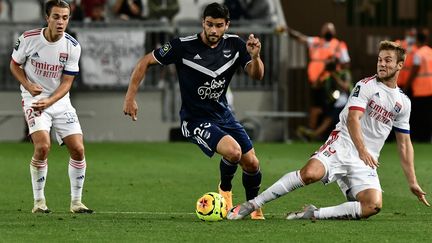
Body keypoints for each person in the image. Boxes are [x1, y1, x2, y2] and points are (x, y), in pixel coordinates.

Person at [228, 40, 430, 220]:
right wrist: (361, 150)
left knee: (372, 206)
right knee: (309, 174)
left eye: (388, 60)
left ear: (400, 65)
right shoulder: (366, 85)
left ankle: (314, 213)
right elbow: (353, 119)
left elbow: (404, 144)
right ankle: (252, 204)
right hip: (344, 144)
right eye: (380, 59)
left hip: (366, 159)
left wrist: (412, 182)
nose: (382, 64)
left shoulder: (403, 102)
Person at [123, 2, 265, 219]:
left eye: (218, 25)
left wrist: (255, 57)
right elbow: (145, 62)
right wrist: (130, 97)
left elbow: (257, 76)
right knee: (234, 152)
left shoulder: (235, 44)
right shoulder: (183, 46)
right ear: (203, 23)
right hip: (195, 119)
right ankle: (225, 191)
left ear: (227, 25)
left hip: (223, 115)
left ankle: (253, 207)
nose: (213, 30)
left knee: (253, 163)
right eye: (209, 25)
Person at [10, 0, 92, 214]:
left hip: (59, 100)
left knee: (78, 149)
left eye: (65, 18)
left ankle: (76, 202)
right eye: (56, 17)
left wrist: (51, 101)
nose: (61, 22)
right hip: (34, 99)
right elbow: (14, 64)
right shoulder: (28, 39)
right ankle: (39, 202)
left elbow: (67, 83)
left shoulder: (72, 46)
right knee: (43, 147)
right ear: (47, 18)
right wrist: (28, 85)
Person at [289, 22, 351, 131]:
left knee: (329, 107)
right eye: (326, 29)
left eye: (330, 30)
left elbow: (346, 63)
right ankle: (313, 132)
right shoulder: (316, 42)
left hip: (330, 81)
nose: (328, 31)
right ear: (322, 31)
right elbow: (300, 38)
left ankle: (321, 132)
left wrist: (334, 64)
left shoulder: (338, 45)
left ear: (334, 32)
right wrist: (287, 30)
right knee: (316, 107)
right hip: (315, 80)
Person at [297, 61, 352, 141]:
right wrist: (323, 72)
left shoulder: (344, 74)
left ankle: (314, 134)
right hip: (331, 101)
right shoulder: (327, 75)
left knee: (329, 118)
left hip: (344, 101)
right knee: (315, 111)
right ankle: (310, 131)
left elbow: (345, 87)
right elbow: (315, 85)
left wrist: (334, 76)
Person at [405, 28, 432, 142]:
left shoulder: (418, 54)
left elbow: (414, 72)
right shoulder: (430, 51)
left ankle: (420, 137)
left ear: (417, 40)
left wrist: (406, 86)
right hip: (430, 88)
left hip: (420, 90)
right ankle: (427, 137)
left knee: (419, 115)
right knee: (428, 114)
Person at [396, 28, 417, 92]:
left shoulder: (417, 47)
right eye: (410, 34)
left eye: (413, 35)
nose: (411, 37)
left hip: (410, 82)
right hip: (399, 81)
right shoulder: (400, 44)